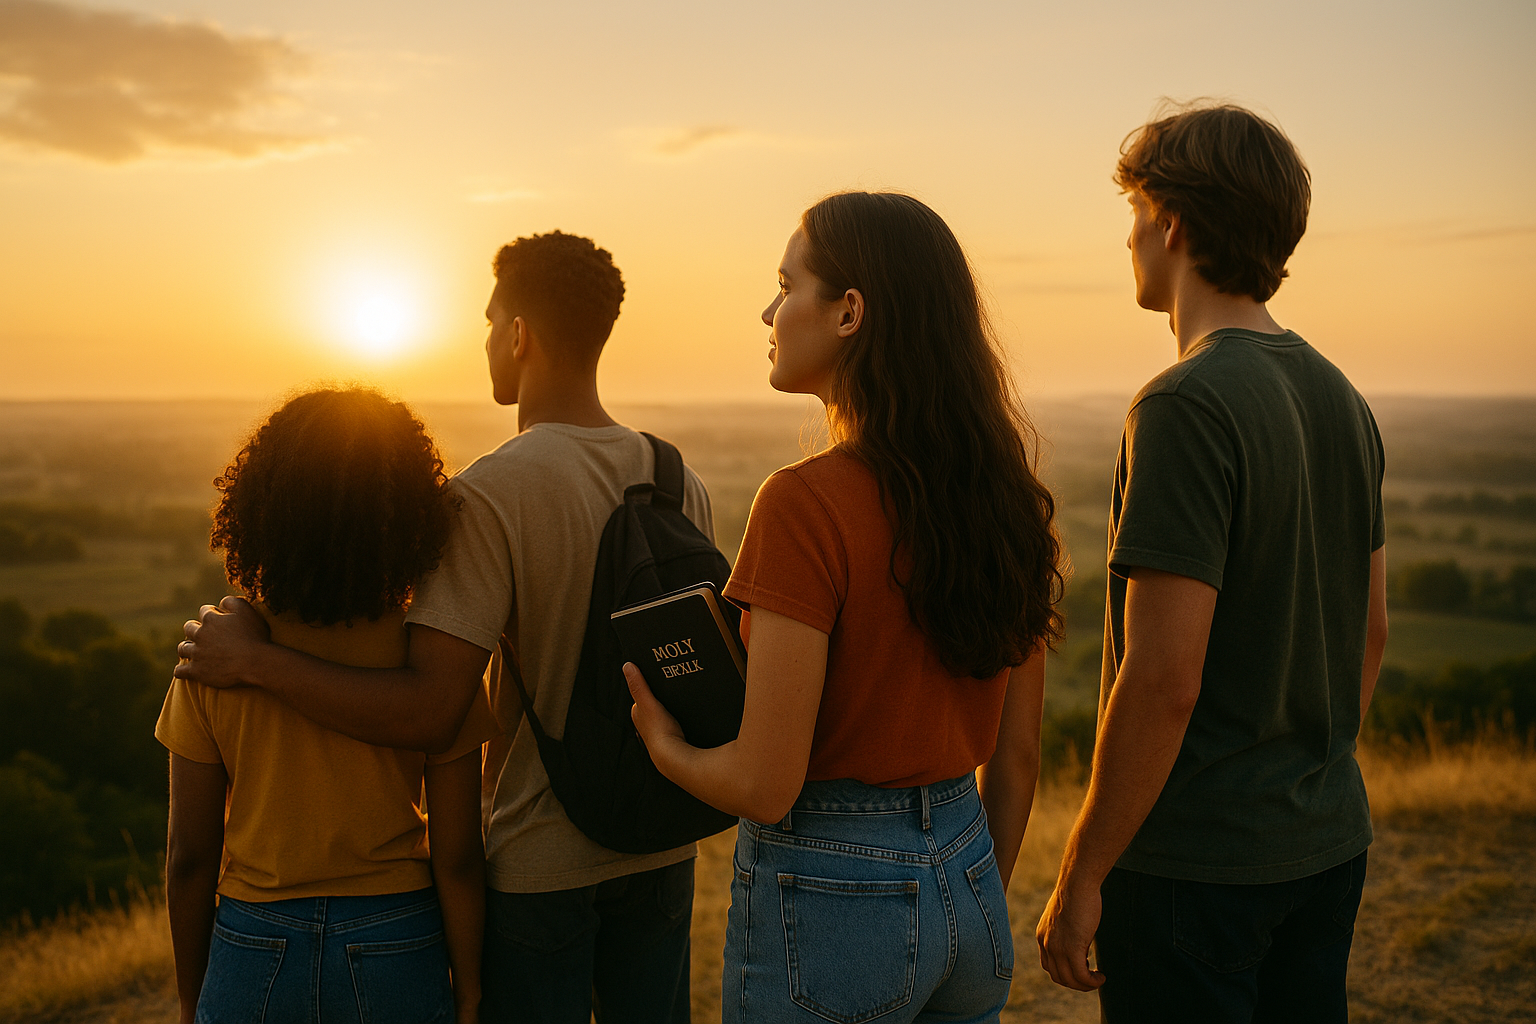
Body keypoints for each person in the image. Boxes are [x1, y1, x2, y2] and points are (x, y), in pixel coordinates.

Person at [174, 232, 715, 1024]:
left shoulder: (490, 493)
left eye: (491, 322)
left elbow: (430, 708)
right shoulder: (678, 479)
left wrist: (259, 665)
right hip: (663, 838)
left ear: (519, 334)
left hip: (545, 860)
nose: (488, 340)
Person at [625, 191, 1061, 1022]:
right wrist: (958, 897)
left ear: (849, 310)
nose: (769, 309)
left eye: (786, 285)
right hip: (970, 879)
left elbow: (765, 781)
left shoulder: (804, 502)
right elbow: (1019, 756)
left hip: (834, 890)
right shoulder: (1002, 496)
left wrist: (663, 744)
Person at [1034, 103, 1389, 1022]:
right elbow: (1370, 630)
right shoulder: (1341, 396)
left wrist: (1082, 873)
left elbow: (1162, 677)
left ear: (1175, 224)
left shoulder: (1184, 404)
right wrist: (1298, 781)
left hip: (1197, 868)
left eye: (1137, 214)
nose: (1129, 238)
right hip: (1325, 842)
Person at [158, 387, 498, 1024]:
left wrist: (189, 997)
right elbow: (457, 855)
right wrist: (471, 989)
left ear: (261, 507)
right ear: (409, 520)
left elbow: (190, 857)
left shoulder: (214, 658)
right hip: (398, 936)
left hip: (252, 939)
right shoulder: (430, 667)